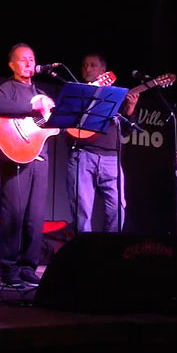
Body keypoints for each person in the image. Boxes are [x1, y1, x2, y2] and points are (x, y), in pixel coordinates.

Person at [0, 43, 55, 287]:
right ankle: (8, 270)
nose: (29, 63)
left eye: (32, 59)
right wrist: (32, 107)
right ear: (12, 65)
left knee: (35, 218)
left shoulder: (41, 94)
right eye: (23, 59)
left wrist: (54, 113)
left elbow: (48, 125)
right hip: (16, 156)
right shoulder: (7, 88)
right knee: (13, 215)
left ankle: (29, 268)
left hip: (40, 159)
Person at [65, 52, 140, 233]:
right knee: (81, 212)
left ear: (103, 70)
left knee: (117, 208)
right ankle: (84, 253)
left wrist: (130, 110)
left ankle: (109, 251)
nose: (87, 68)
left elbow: (128, 129)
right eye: (84, 65)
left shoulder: (116, 95)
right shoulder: (77, 93)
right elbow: (66, 123)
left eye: (92, 65)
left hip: (111, 158)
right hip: (83, 155)